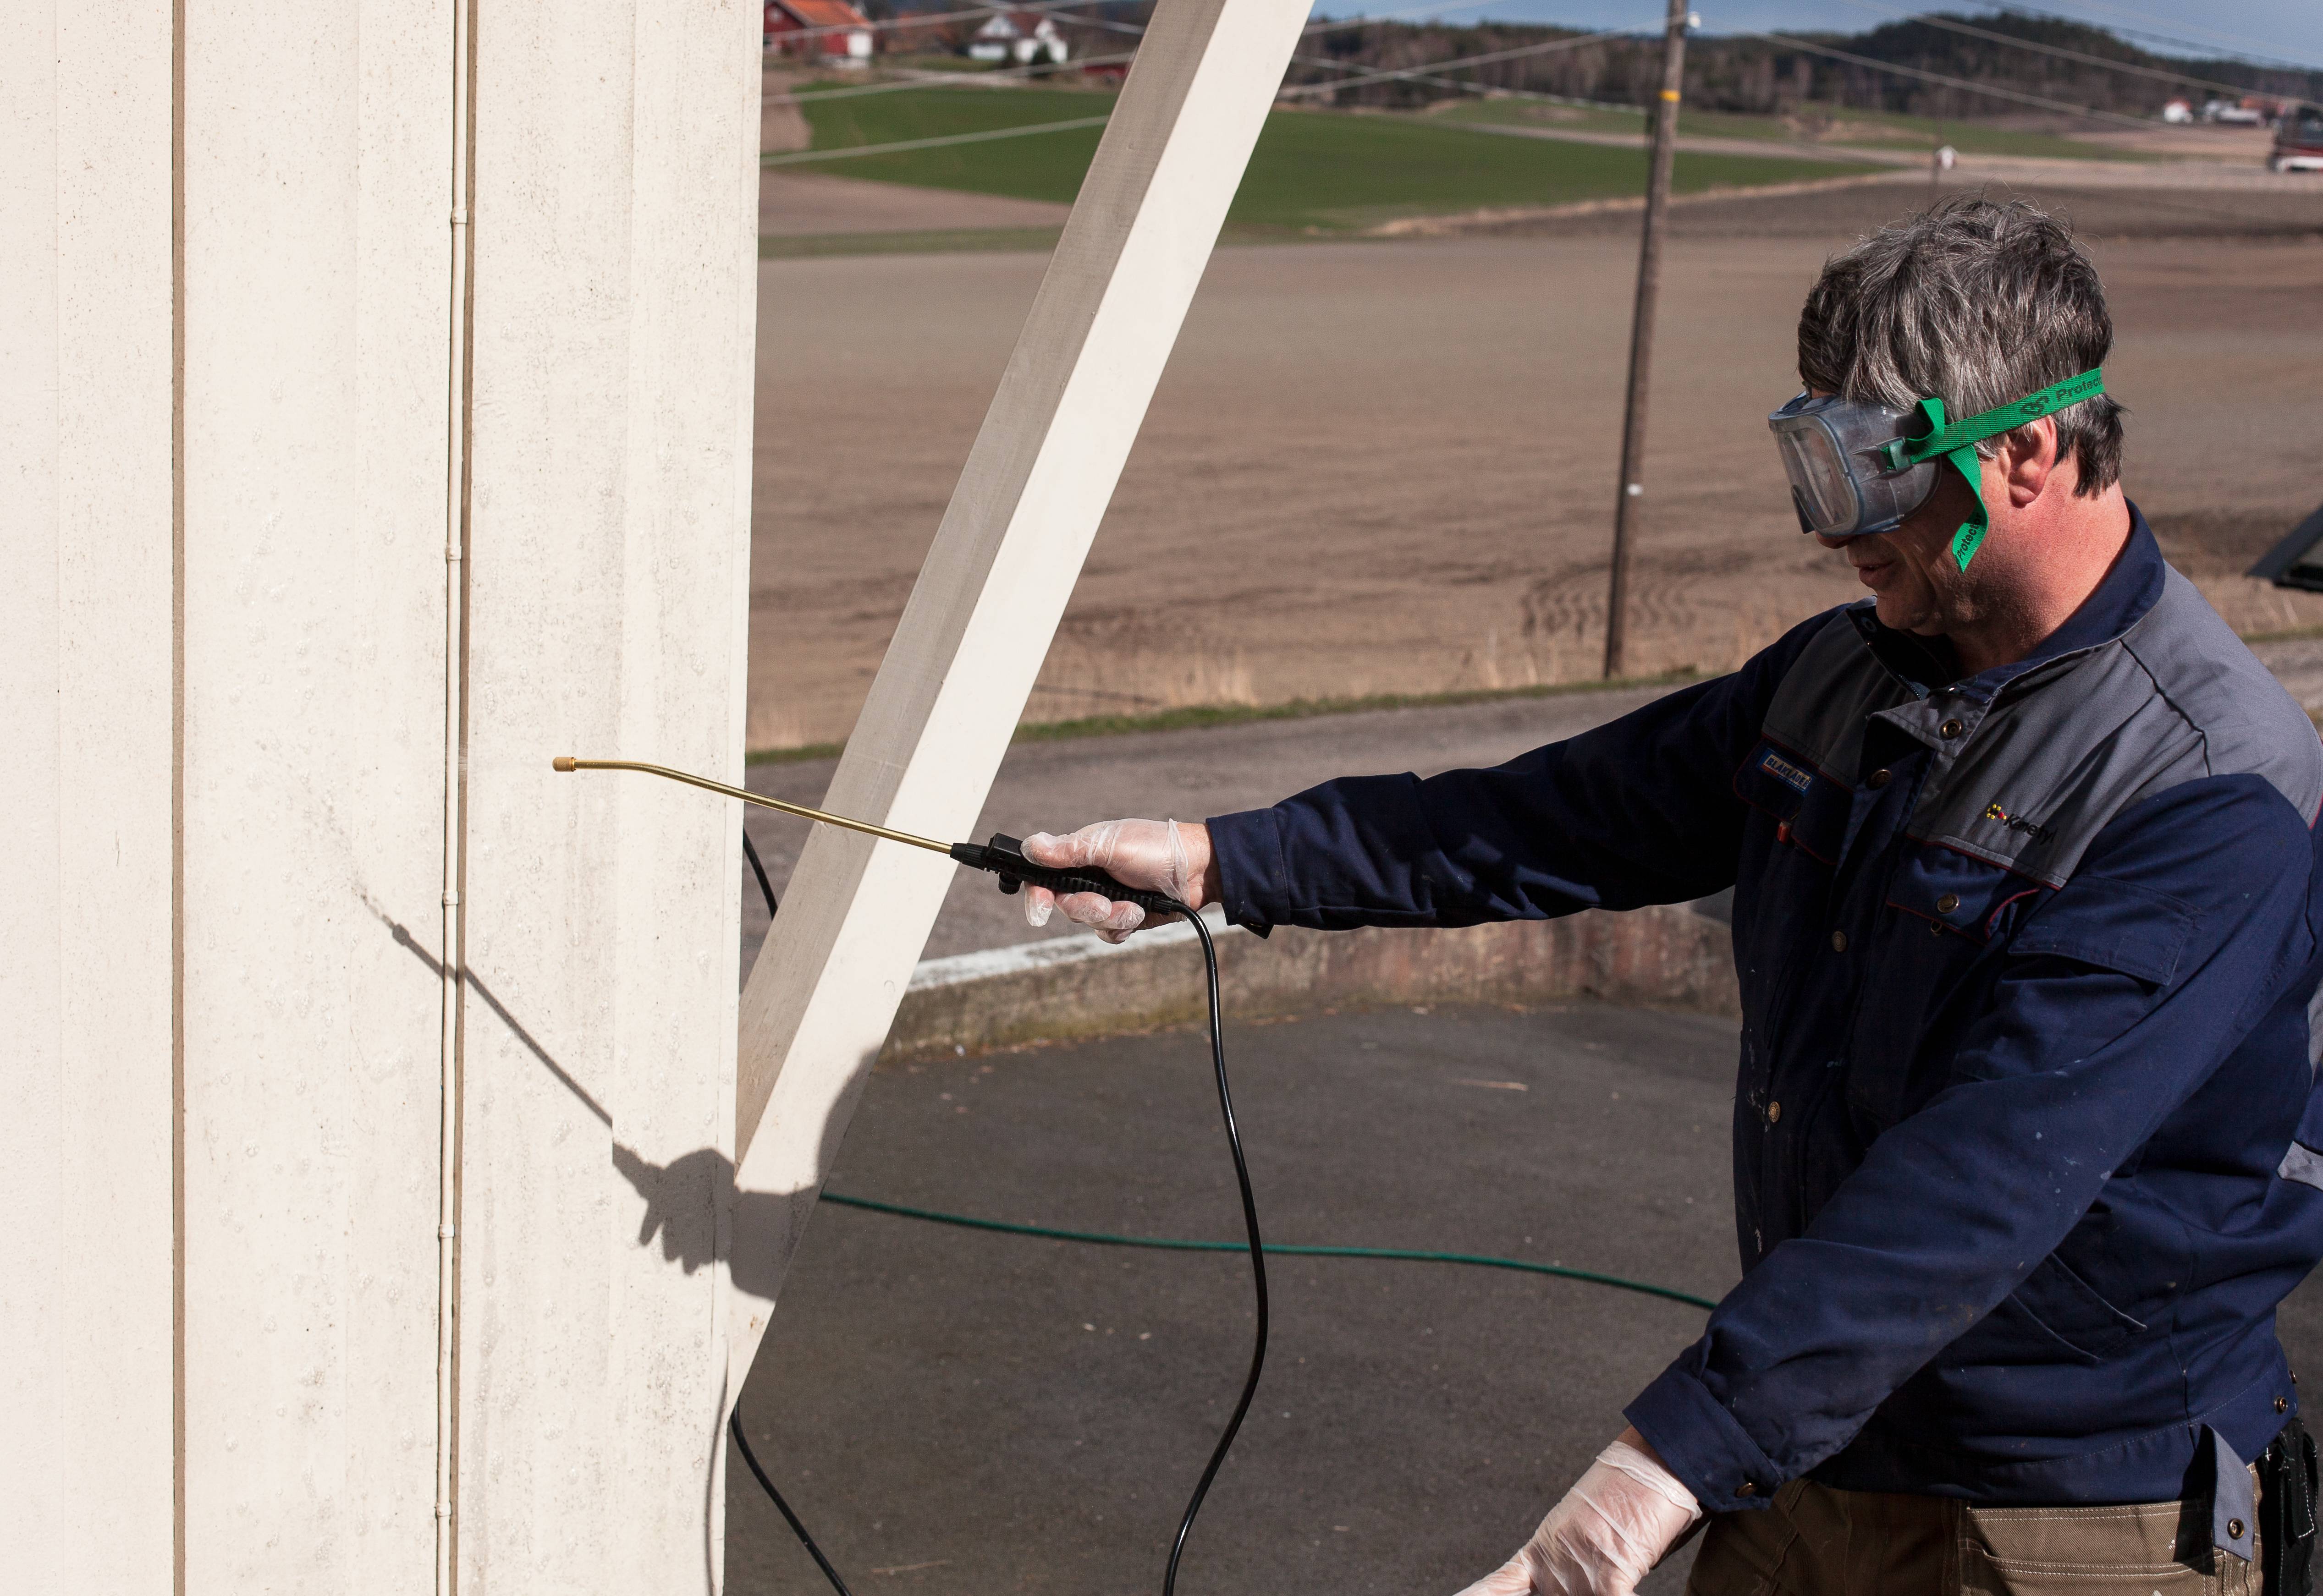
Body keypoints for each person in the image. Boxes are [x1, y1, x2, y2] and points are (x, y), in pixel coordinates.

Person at [1017, 198, 2323, 1593]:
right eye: (1809, 466)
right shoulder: (1843, 675)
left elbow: (1982, 1179)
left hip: (2066, 1509)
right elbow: (1548, 818)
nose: (1835, 532)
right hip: (1810, 1440)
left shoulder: (2203, 794)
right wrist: (1225, 860)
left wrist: (1652, 1473)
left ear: (2023, 452)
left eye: (1872, 475)